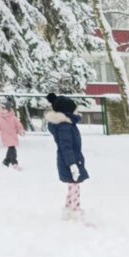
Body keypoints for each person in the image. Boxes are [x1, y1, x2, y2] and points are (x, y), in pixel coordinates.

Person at [45, 93, 90, 222]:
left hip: (70, 160)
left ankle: (68, 210)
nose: (77, 112)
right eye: (74, 109)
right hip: (70, 161)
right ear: (68, 111)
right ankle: (75, 211)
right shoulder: (65, 126)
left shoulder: (66, 125)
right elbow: (67, 148)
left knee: (72, 187)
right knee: (75, 187)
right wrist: (72, 165)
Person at [0, 101, 25, 170]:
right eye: (2, 108)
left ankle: (6, 161)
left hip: (13, 136)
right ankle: (14, 163)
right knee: (12, 149)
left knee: (11, 149)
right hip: (5, 136)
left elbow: (18, 126)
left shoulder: (13, 117)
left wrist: (21, 131)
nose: (4, 110)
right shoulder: (0, 119)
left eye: (5, 108)